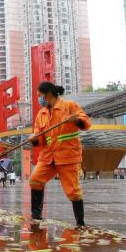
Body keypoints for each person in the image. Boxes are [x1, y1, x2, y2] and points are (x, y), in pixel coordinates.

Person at [29, 81, 91, 227]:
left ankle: (80, 223)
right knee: (35, 180)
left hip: (67, 156)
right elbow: (40, 139)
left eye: (40, 96)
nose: (39, 99)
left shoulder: (69, 106)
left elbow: (86, 123)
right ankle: (36, 216)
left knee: (73, 191)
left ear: (48, 94)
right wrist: (34, 139)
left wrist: (76, 119)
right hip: (48, 157)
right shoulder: (42, 114)